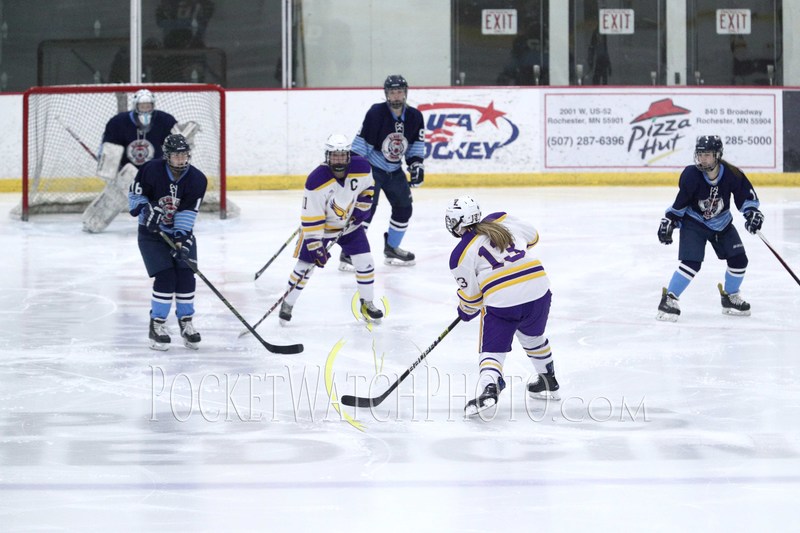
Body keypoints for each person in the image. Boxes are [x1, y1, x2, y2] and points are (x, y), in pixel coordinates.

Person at [444, 195, 559, 417]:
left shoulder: (459, 254)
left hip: (504, 301)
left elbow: (472, 301)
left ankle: (490, 388)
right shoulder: (501, 219)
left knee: (491, 350)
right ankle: (548, 379)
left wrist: (464, 312)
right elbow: (533, 237)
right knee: (532, 336)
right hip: (539, 289)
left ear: (456, 223)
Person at [278, 134, 384, 325]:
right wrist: (315, 245)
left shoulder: (362, 167)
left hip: (350, 227)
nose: (338, 160)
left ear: (348, 156)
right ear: (327, 156)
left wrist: (362, 206)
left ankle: (367, 303)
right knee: (304, 268)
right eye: (334, 156)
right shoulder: (316, 181)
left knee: (365, 261)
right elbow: (312, 218)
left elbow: (368, 189)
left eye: (342, 155)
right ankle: (287, 303)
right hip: (323, 231)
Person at [657, 135, 764, 321]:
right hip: (694, 222)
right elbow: (681, 203)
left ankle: (730, 297)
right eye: (700, 154)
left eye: (707, 154)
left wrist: (752, 213)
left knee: (739, 260)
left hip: (722, 223)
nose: (702, 159)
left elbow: (745, 197)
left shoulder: (732, 173)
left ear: (717, 155)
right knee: (692, 263)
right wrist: (670, 221)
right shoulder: (691, 175)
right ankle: (669, 299)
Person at [128, 133, 208, 350]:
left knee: (185, 274)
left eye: (184, 155)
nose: (181, 159)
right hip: (150, 235)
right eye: (176, 155)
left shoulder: (197, 179)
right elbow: (134, 198)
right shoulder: (150, 170)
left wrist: (182, 240)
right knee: (165, 276)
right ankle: (157, 325)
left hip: (178, 233)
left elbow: (188, 211)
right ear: (167, 156)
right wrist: (146, 210)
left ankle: (186, 323)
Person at [344, 74, 426, 270]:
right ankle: (349, 253)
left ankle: (392, 248)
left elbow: (415, 145)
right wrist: (354, 170)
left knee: (404, 208)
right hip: (373, 169)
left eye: (399, 92)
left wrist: (416, 165)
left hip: (395, 170)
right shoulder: (376, 113)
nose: (396, 96)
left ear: (405, 93)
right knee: (366, 210)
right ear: (386, 95)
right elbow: (363, 143)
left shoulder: (415, 117)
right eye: (392, 92)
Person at [82, 89, 178, 233]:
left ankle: (166, 220)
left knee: (164, 192)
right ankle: (94, 220)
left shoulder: (165, 121)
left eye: (148, 106)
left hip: (154, 170)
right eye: (142, 106)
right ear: (135, 106)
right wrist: (109, 165)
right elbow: (108, 146)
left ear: (153, 105)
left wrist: (185, 138)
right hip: (127, 172)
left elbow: (177, 143)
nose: (145, 110)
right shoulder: (118, 122)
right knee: (115, 195)